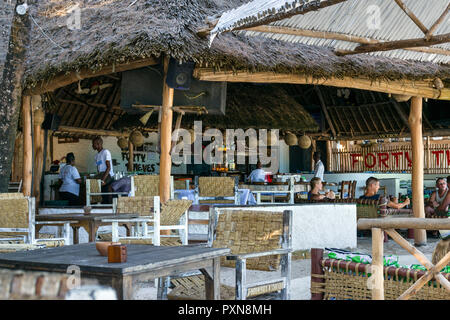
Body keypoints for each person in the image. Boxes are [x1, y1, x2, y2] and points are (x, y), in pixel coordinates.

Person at [92, 136, 114, 203]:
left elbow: (108, 167)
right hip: (101, 176)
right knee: (102, 196)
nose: (92, 145)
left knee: (107, 197)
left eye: (94, 144)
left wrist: (102, 180)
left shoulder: (106, 152)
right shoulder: (96, 156)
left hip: (107, 176)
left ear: (98, 144)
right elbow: (99, 168)